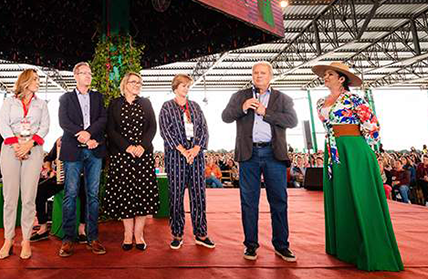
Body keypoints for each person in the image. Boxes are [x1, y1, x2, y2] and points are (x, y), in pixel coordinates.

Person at [312, 61, 403, 272]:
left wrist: (374, 155)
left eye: (329, 74)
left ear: (341, 78)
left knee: (361, 196)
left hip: (355, 149)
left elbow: (372, 126)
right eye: (324, 75)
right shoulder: (320, 102)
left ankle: (372, 249)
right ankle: (345, 247)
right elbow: (328, 127)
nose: (325, 77)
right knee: (341, 195)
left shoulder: (355, 99)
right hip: (333, 150)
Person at [221, 62, 298, 262]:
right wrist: (242, 107)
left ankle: (282, 245)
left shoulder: (283, 98)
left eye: (263, 73)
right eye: (255, 73)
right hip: (249, 155)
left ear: (270, 76)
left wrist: (267, 113)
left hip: (274, 154)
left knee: (279, 201)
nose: (258, 76)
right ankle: (250, 246)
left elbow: (292, 121)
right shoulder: (240, 96)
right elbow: (225, 117)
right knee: (248, 202)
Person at [103, 72, 159, 251]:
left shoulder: (146, 103)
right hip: (122, 156)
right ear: (125, 84)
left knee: (142, 195)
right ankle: (127, 234)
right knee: (125, 196)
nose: (137, 85)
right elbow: (110, 130)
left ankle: (139, 234)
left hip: (143, 156)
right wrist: (127, 147)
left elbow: (152, 127)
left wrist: (142, 146)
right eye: (133, 82)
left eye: (139, 82)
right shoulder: (114, 104)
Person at [0, 69, 50, 260]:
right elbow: (2, 124)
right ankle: (8, 238)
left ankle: (26, 239)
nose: (38, 82)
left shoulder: (41, 104)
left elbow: (45, 126)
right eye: (35, 79)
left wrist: (29, 144)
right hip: (11, 149)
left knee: (28, 197)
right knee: (10, 197)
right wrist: (16, 145)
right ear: (25, 81)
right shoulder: (9, 102)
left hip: (33, 149)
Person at [158, 74, 214, 250]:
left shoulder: (195, 107)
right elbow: (165, 132)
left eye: (188, 86)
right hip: (176, 157)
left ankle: (201, 233)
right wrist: (183, 150)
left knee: (199, 195)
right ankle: (177, 233)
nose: (186, 89)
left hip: (196, 158)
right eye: (183, 86)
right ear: (175, 87)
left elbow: (204, 129)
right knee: (176, 196)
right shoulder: (167, 107)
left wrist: (197, 149)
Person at [58, 62, 108, 257]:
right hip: (73, 150)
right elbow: (64, 121)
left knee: (93, 195)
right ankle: (68, 239)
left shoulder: (98, 97)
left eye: (89, 72)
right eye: (83, 73)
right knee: (70, 194)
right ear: (75, 76)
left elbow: (103, 120)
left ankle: (92, 237)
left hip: (94, 149)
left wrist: (90, 136)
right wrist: (81, 133)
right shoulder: (66, 98)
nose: (88, 76)